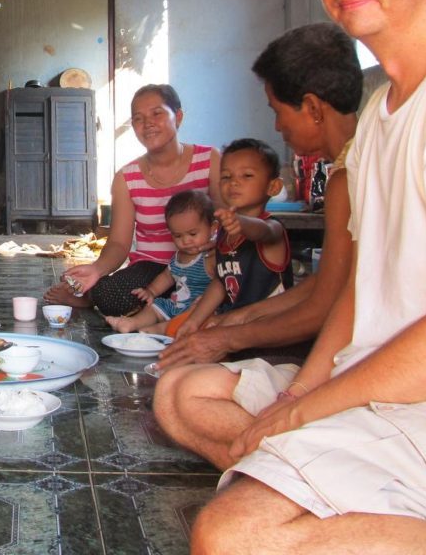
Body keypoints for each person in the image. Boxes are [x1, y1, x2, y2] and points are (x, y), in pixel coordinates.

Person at [192, 0, 426, 553]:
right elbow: (357, 294)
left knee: (233, 535)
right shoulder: (378, 117)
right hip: (373, 390)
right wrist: (299, 395)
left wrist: (303, 411)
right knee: (187, 400)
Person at [152, 23, 360, 465]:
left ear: (312, 108)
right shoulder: (350, 165)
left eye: (277, 111)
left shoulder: (351, 176)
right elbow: (331, 284)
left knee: (180, 395)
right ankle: (286, 473)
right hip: (330, 350)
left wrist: (233, 341)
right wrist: (235, 319)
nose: (277, 126)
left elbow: (326, 305)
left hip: (353, 362)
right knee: (170, 397)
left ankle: (307, 473)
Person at [47, 84, 223, 317]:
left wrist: (219, 250)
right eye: (138, 119)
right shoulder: (127, 177)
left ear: (178, 116)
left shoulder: (210, 160)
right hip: (153, 267)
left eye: (157, 113)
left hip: (204, 262)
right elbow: (119, 244)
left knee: (233, 281)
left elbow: (226, 218)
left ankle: (165, 308)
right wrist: (96, 269)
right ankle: (166, 305)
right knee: (109, 295)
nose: (147, 123)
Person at [173, 138, 292, 339]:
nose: (234, 182)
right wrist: (193, 321)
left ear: (273, 187)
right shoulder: (224, 232)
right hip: (237, 329)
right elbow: (221, 282)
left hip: (273, 333)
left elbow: (263, 231)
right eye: (226, 176)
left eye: (247, 175)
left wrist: (241, 223)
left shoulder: (273, 228)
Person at [105, 189, 216, 335]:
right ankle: (131, 323)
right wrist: (151, 291)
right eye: (178, 236)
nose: (186, 241)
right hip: (176, 305)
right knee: (155, 306)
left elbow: (223, 284)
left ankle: (153, 331)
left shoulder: (210, 257)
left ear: (213, 228)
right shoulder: (178, 256)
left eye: (193, 234)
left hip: (199, 311)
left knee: (197, 318)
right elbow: (167, 276)